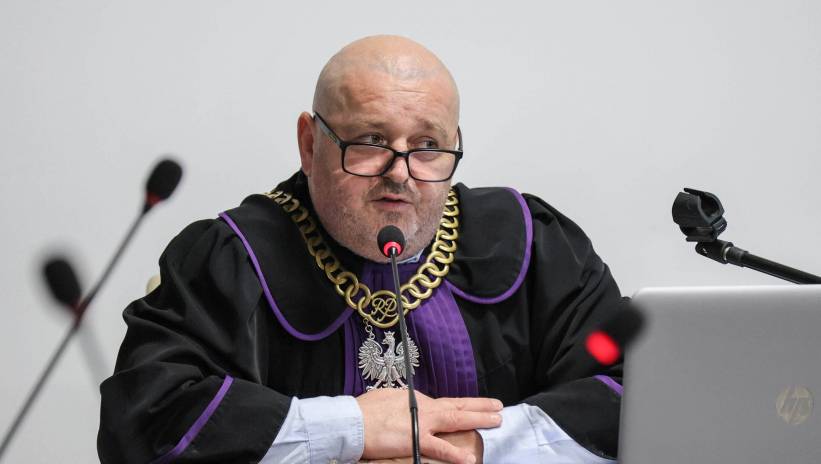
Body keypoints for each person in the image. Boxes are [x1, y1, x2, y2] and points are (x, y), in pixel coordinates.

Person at [98, 35, 625, 464]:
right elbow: (147, 421)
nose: (401, 174)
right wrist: (352, 429)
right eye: (372, 141)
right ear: (310, 144)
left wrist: (478, 447)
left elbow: (628, 388)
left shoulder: (533, 244)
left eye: (427, 146)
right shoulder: (232, 259)